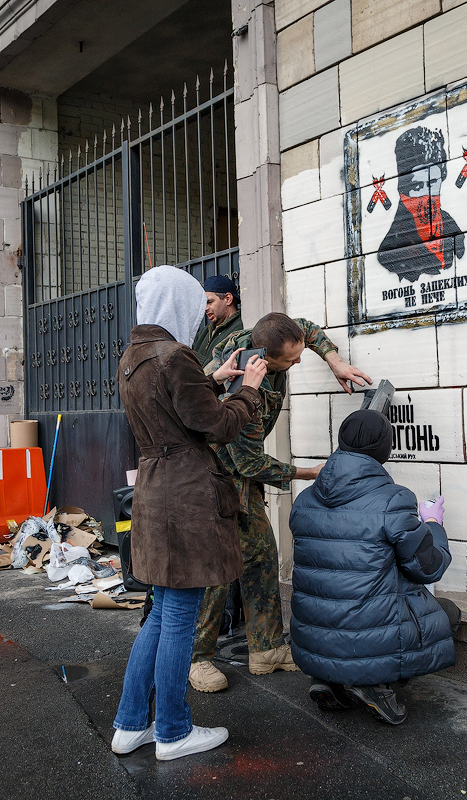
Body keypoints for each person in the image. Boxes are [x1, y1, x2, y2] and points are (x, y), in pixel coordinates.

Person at [110, 264, 268, 761]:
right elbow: (216, 425)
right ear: (177, 304)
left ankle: (131, 724)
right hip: (187, 495)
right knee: (179, 615)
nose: (199, 313)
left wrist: (211, 378)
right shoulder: (175, 355)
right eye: (193, 302)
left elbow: (174, 408)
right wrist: (249, 390)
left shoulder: (134, 357)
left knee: (160, 614)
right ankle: (174, 731)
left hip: (155, 489)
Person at [188, 313, 372, 693]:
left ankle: (267, 648)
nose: (298, 362)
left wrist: (334, 360)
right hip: (213, 476)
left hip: (238, 473)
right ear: (266, 359)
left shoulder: (267, 336)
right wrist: (311, 473)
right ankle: (196, 657)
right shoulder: (242, 390)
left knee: (260, 554)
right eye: (291, 360)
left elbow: (302, 327)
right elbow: (250, 462)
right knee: (218, 569)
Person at [289, 409, 458, 725]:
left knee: (350, 605)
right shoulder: (393, 500)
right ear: (384, 450)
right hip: (367, 636)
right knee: (446, 614)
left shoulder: (306, 499)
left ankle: (331, 680)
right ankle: (375, 685)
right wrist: (433, 523)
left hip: (313, 636)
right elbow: (429, 568)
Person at [377, 126, 466, 283]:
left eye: (433, 183)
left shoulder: (452, 227)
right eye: (418, 186)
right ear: (403, 192)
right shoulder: (390, 251)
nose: (428, 194)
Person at [191, 274, 242, 361]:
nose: (205, 308)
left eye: (210, 302)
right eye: (204, 304)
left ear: (228, 299)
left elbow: (225, 368)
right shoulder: (204, 332)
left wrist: (191, 357)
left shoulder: (240, 329)